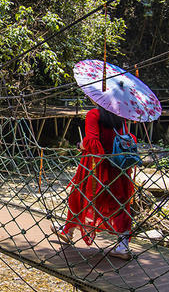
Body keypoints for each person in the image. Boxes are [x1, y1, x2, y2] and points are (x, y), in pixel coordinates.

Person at [52, 106, 135, 260]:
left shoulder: (94, 114)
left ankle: (67, 231)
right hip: (118, 168)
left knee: (79, 195)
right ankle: (123, 246)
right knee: (120, 203)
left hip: (95, 167)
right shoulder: (121, 116)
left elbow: (92, 142)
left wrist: (80, 145)